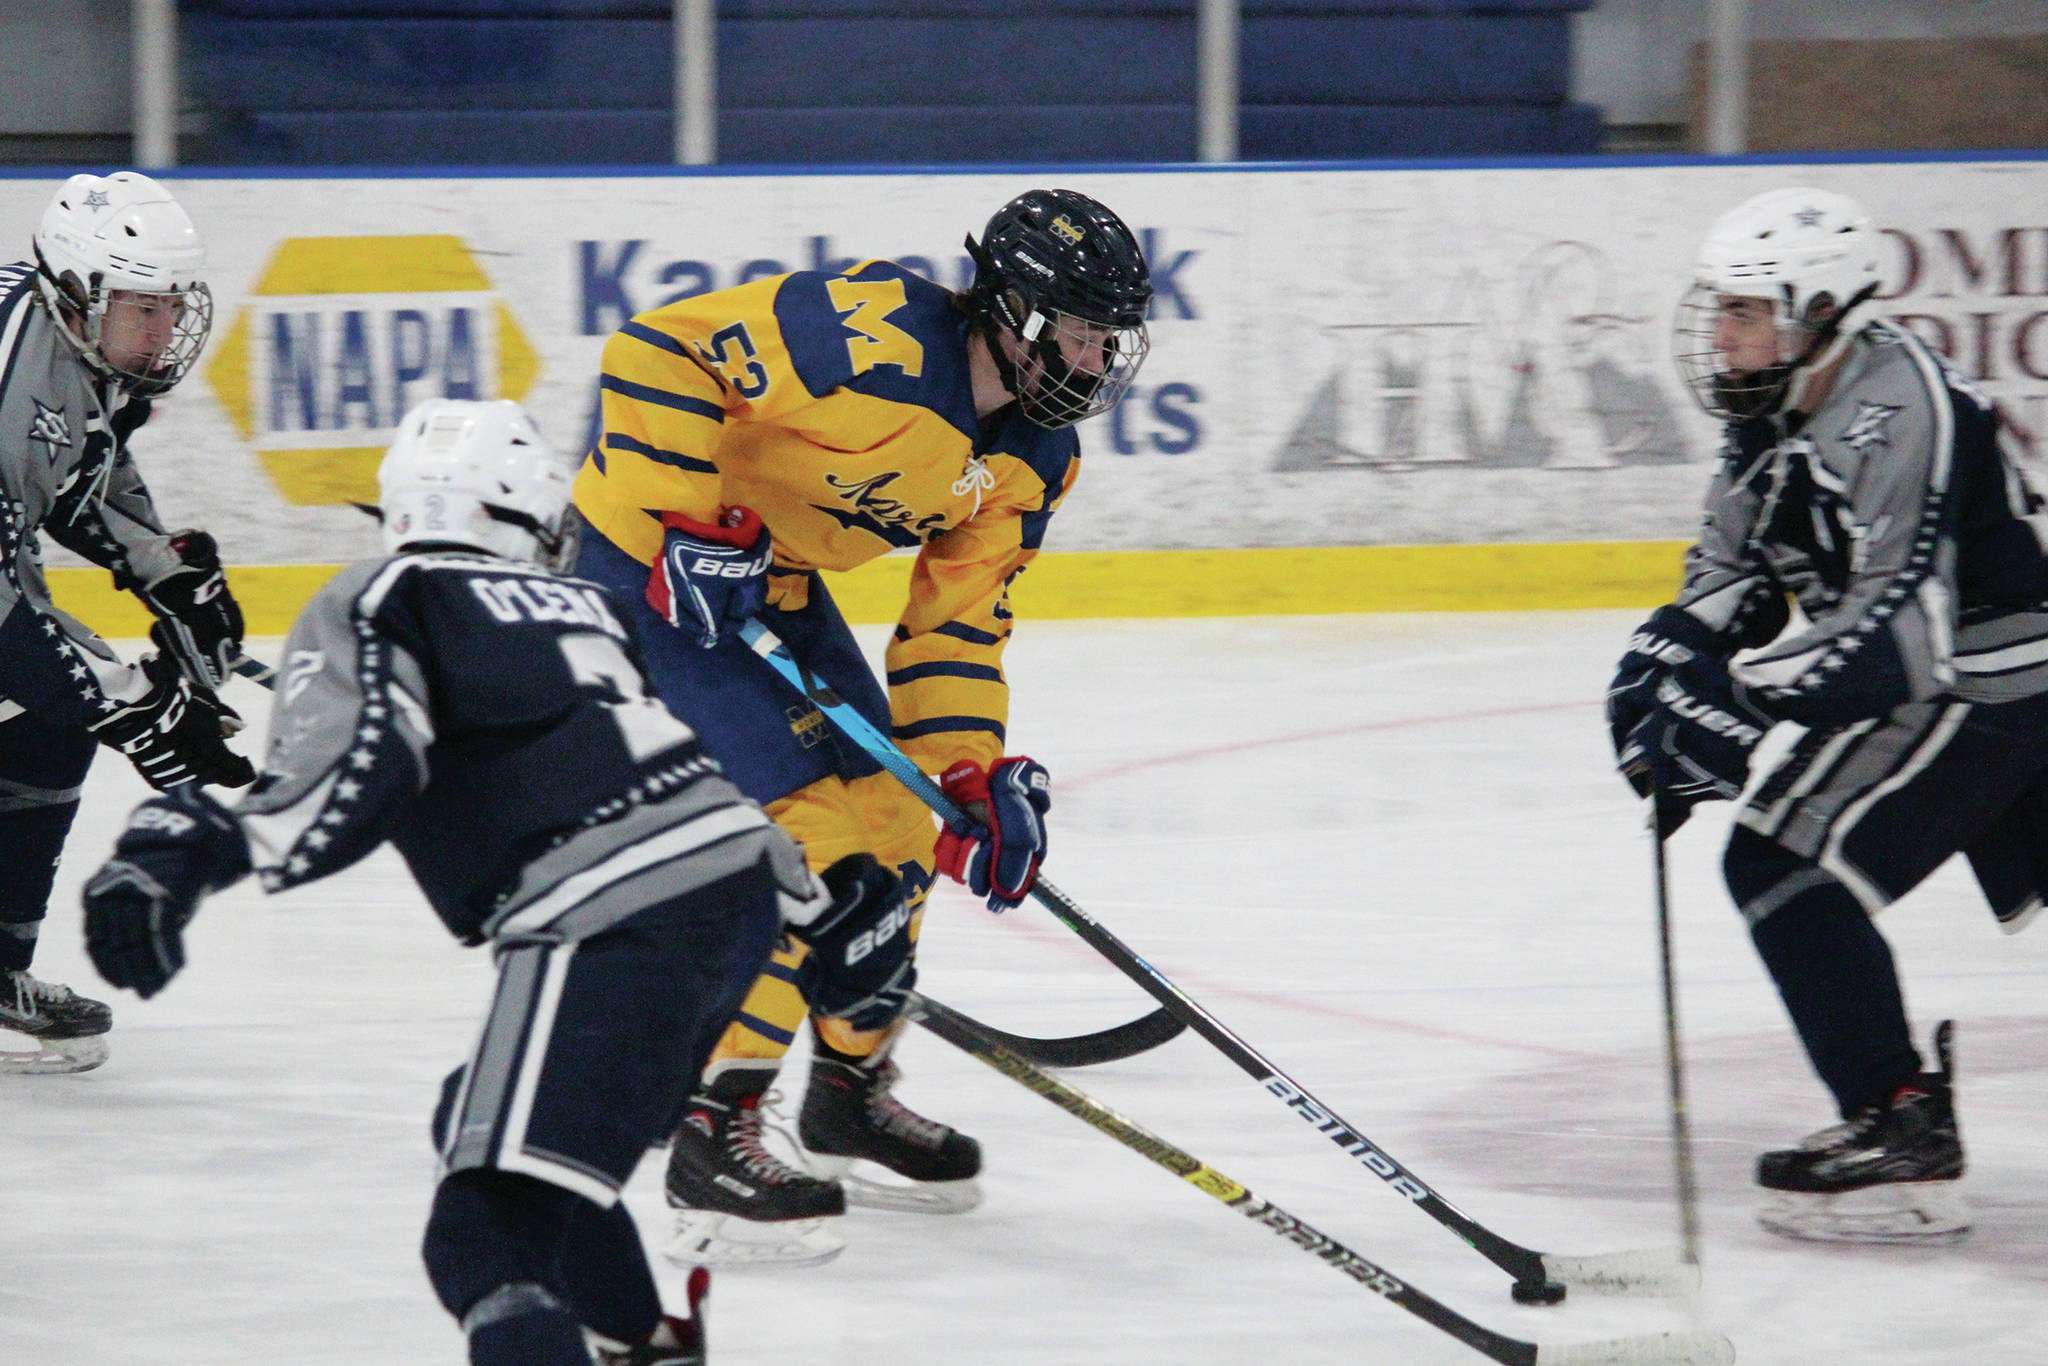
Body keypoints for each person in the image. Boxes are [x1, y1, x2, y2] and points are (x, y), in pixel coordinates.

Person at [80, 398, 919, 1366]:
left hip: (611, 918)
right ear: (528, 509)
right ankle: (642, 1342)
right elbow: (678, 783)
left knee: (482, 1234)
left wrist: (173, 846)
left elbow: (347, 784)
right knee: (495, 1134)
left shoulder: (389, 594)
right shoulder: (588, 607)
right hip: (732, 901)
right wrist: (830, 917)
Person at [570, 187, 1152, 1263]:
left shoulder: (1035, 458)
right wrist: (687, 522)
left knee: (896, 822)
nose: (1099, 357)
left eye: (1109, 337)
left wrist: (970, 774)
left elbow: (955, 634)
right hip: (642, 568)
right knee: (812, 847)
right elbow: (655, 352)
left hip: (770, 584)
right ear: (1014, 314)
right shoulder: (868, 334)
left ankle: (845, 1085)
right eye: (1079, 331)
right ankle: (715, 1122)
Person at [1607, 186, 2048, 1244]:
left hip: (1987, 684)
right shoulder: (1769, 407)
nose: (1721, 332)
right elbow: (1731, 572)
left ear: (1816, 312)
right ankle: (1899, 1118)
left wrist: (1734, 701)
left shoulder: (1902, 410)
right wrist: (1660, 660)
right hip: (1967, 685)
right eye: (1719, 307)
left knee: (1780, 864)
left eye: (1745, 311)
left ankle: (1898, 1122)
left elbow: (1901, 631)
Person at [0, 171, 254, 1073]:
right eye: (143, 308)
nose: (162, 330)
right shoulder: (5, 376)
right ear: (79, 291)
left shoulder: (74, 349)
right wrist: (137, 705)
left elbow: (83, 476)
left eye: (170, 306)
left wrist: (168, 574)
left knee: (42, 732)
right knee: (60, 702)